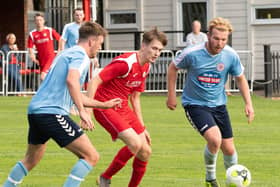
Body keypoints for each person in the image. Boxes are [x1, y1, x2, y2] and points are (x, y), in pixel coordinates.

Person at [3, 21, 122, 187]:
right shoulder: (81, 56)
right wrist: (82, 111)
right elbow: (72, 81)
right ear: (91, 41)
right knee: (91, 156)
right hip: (51, 113)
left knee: (31, 159)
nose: (99, 48)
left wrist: (104, 105)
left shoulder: (66, 53)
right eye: (100, 44)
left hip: (36, 111)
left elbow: (73, 91)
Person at [166, 17, 254, 187]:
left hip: (219, 105)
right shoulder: (192, 53)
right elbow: (172, 67)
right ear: (208, 36)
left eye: (223, 39)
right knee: (215, 140)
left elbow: (241, 79)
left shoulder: (230, 55)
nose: (219, 43)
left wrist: (248, 104)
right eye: (216, 38)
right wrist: (171, 95)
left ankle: (234, 181)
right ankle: (210, 179)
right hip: (195, 104)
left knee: (229, 149)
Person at [86, 28, 167, 187]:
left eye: (160, 50)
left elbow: (135, 97)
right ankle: (105, 178)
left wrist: (142, 127)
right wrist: (88, 110)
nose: (157, 53)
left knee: (145, 152)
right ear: (143, 45)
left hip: (122, 107)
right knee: (135, 144)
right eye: (154, 48)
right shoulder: (126, 63)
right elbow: (94, 81)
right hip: (105, 106)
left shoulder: (147, 66)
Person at [28, 13, 60, 81]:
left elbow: (61, 40)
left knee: (43, 76)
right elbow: (30, 48)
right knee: (46, 79)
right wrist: (33, 57)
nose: (39, 22)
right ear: (35, 22)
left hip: (50, 58)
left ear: (43, 21)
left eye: (40, 20)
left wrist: (60, 50)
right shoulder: (32, 34)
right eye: (37, 20)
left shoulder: (49, 30)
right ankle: (52, 91)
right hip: (41, 59)